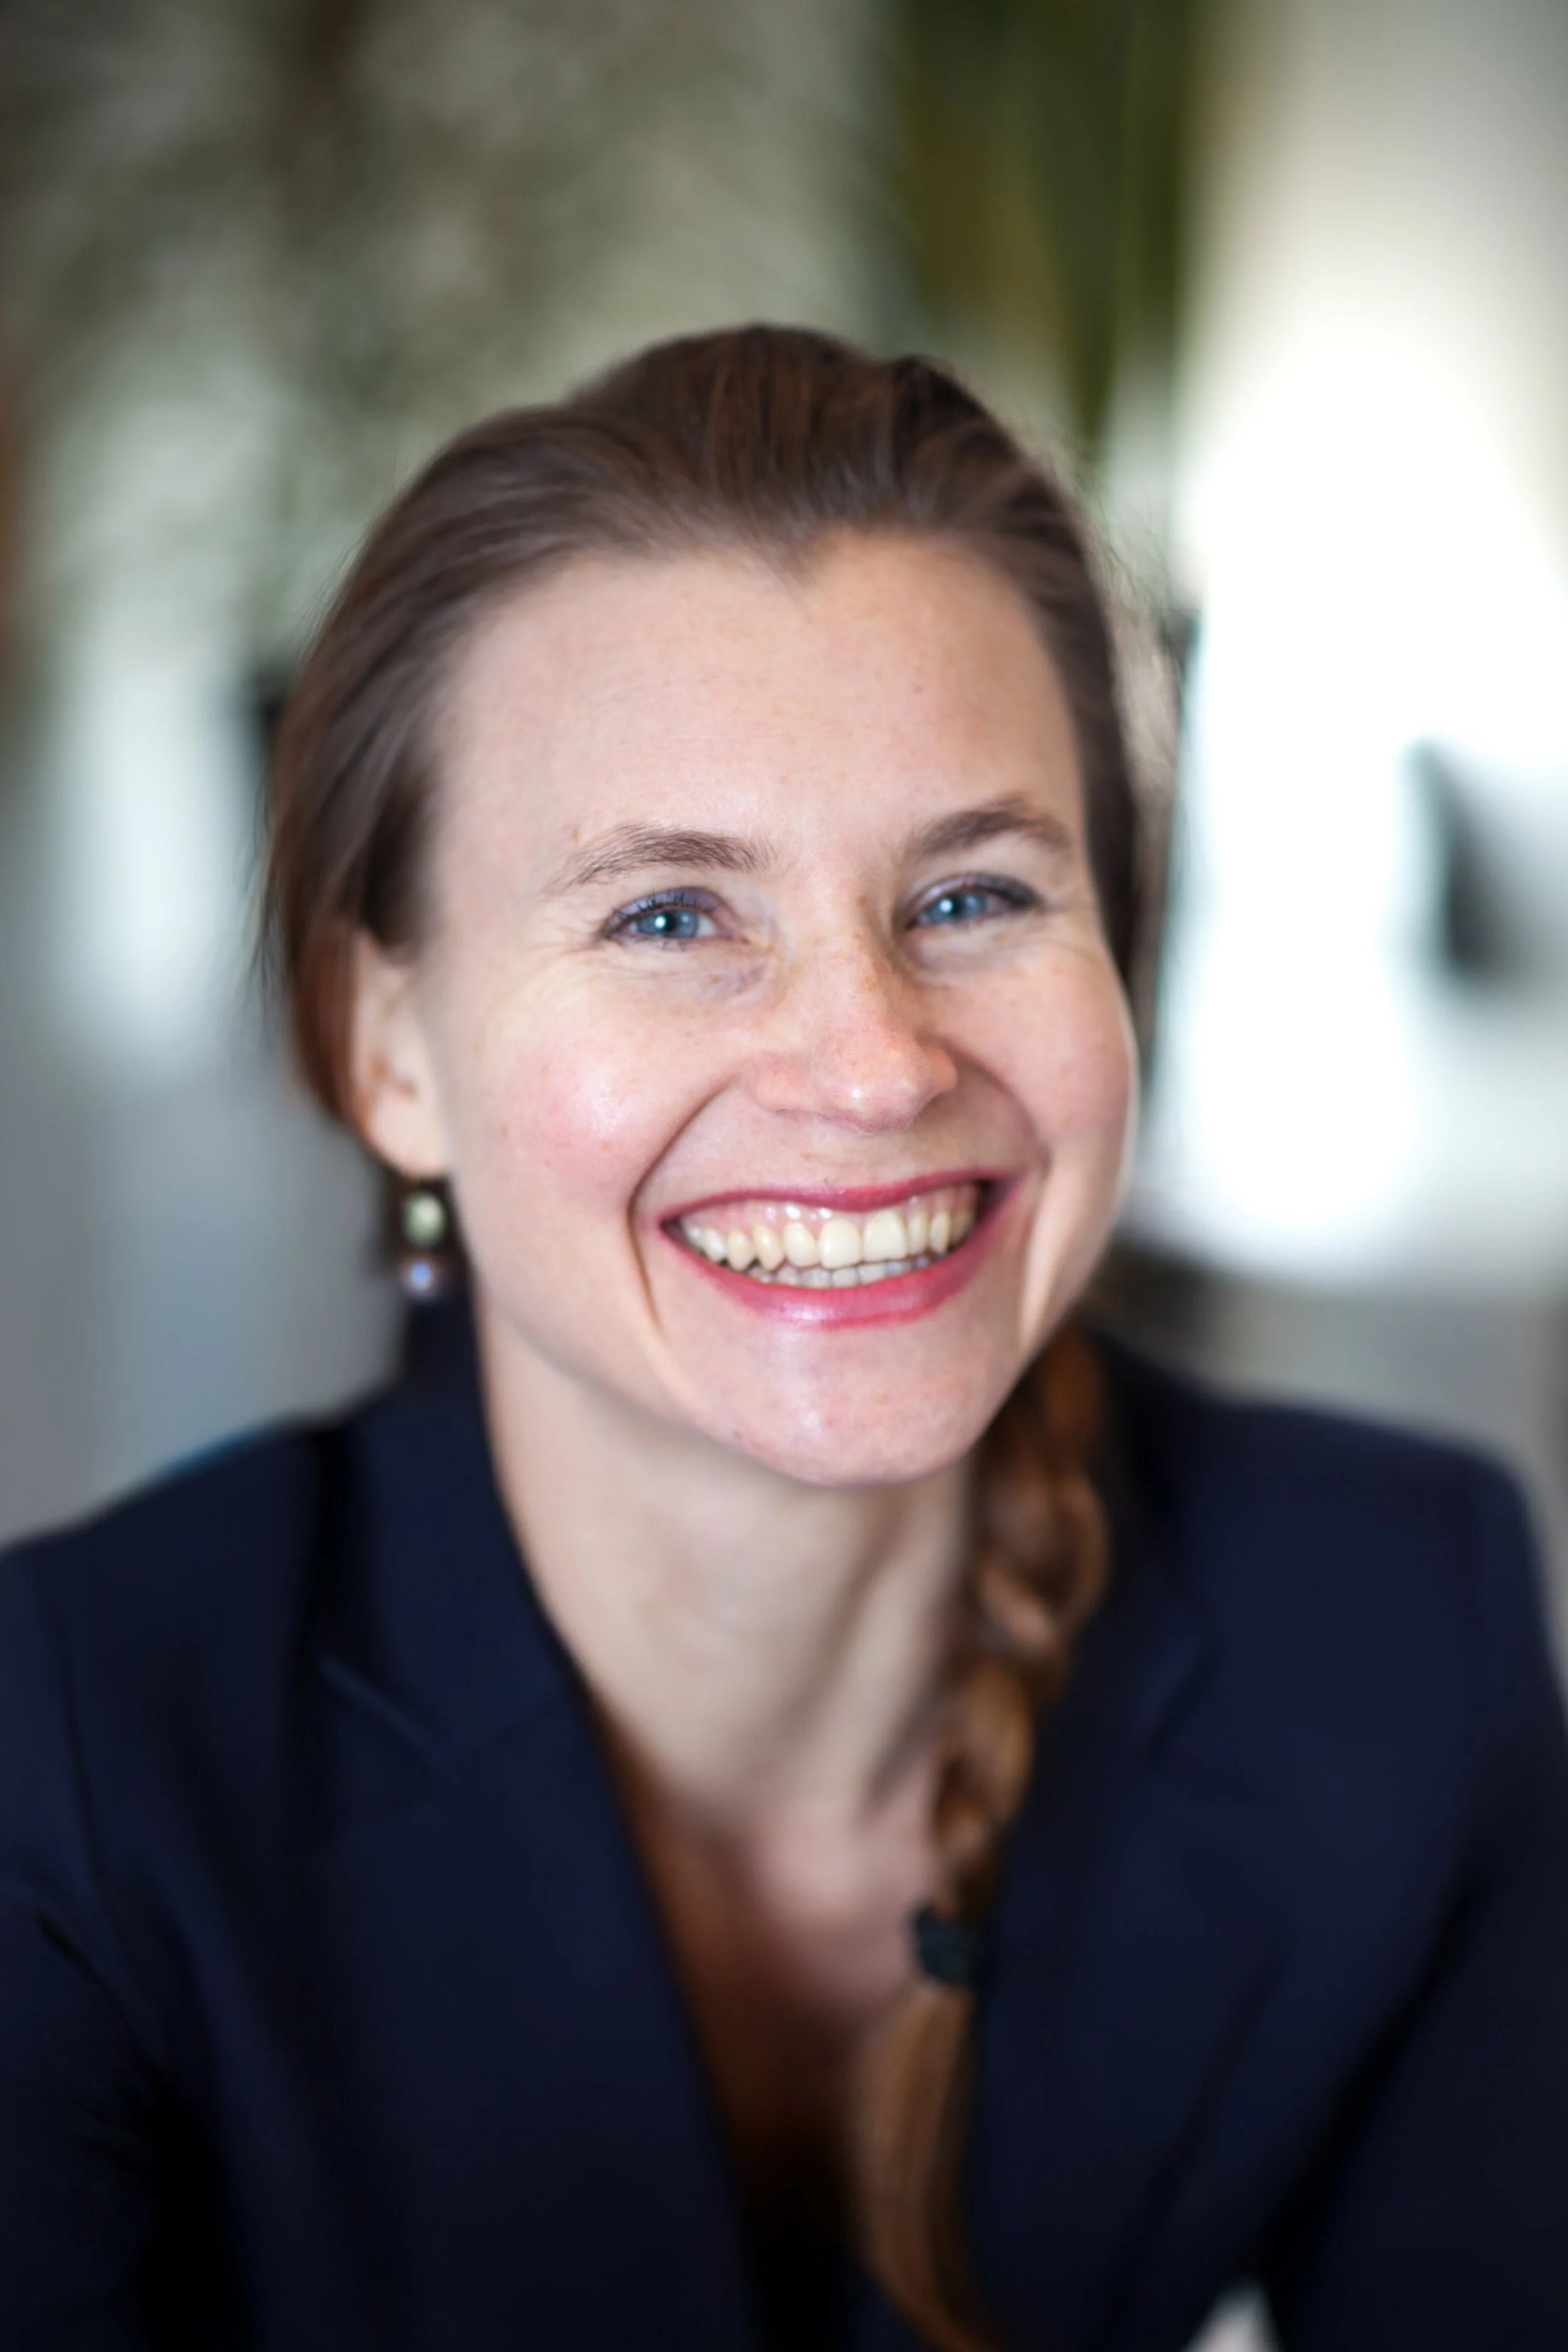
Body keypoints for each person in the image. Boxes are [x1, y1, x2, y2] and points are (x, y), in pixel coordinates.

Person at [2, 326, 1566, 2352]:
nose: (870, 1063)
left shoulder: (1386, 1621)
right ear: (384, 1045)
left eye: (977, 892)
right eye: (669, 915)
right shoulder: (68, 1765)